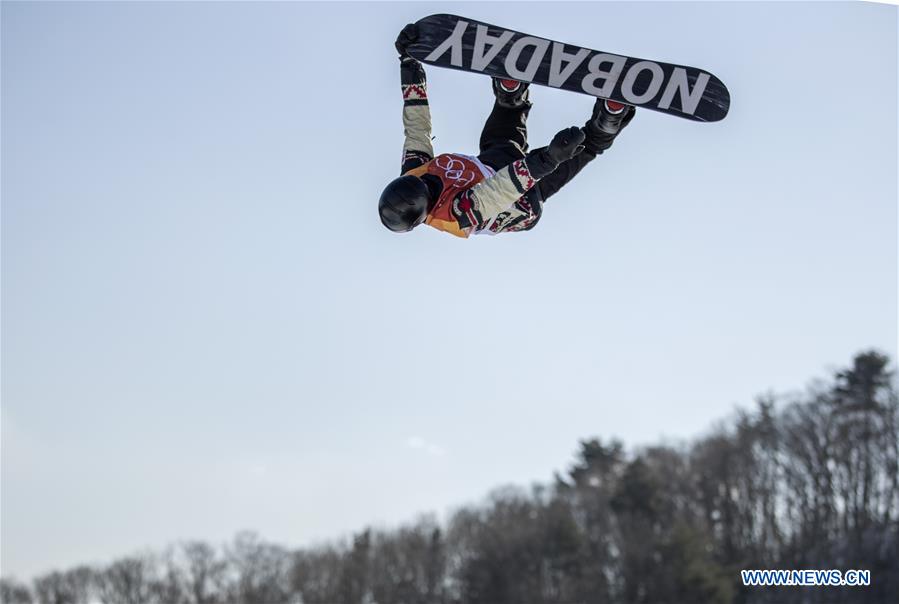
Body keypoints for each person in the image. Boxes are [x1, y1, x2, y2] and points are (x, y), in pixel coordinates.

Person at [379, 23, 635, 237]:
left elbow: (416, 127)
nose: (426, 178)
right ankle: (609, 119)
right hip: (522, 201)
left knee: (499, 138)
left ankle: (510, 93)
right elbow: (501, 189)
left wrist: (410, 66)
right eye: (427, 186)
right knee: (582, 146)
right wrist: (549, 158)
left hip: (490, 163)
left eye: (421, 179)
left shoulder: (415, 169)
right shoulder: (458, 212)